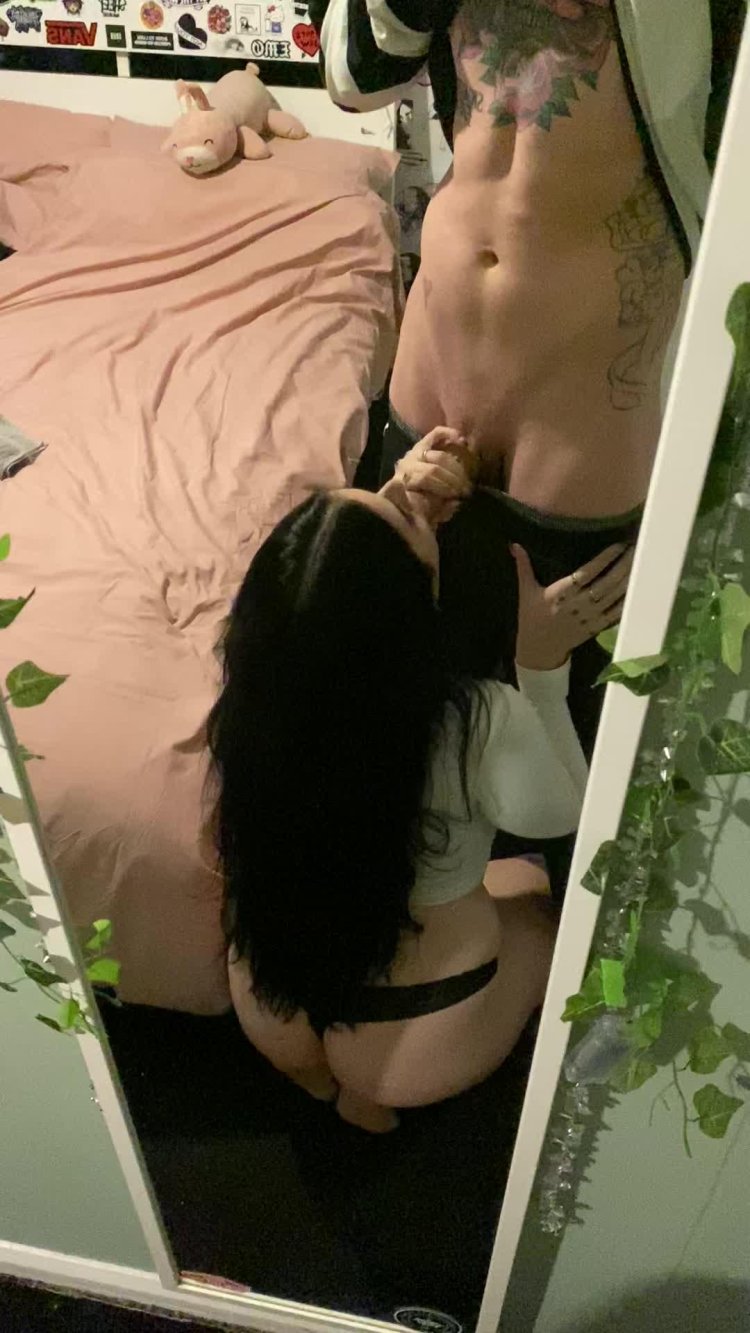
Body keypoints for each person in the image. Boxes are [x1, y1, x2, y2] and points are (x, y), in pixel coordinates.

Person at [311, 0, 714, 886]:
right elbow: (349, 76)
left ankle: (529, 939)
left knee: (576, 772)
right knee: (398, 715)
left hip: (583, 406)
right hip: (431, 374)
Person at [206, 431, 629, 1132]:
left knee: (318, 1042)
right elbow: (562, 813)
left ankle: (317, 1080)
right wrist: (541, 665)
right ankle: (370, 1093)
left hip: (273, 994)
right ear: (407, 609)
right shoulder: (473, 720)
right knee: (532, 894)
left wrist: (393, 516)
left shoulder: (253, 696)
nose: (403, 497)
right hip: (413, 1033)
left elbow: (337, 593)